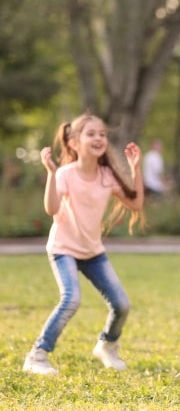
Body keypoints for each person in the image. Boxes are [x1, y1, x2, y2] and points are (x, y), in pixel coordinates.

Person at [23, 113, 145, 375]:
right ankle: (36, 356)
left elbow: (135, 203)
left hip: (93, 252)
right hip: (63, 249)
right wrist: (51, 174)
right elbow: (51, 208)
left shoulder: (106, 176)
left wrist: (136, 169)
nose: (99, 138)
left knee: (121, 304)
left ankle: (107, 346)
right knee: (71, 299)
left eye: (102, 134)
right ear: (74, 142)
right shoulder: (66, 174)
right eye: (91, 134)